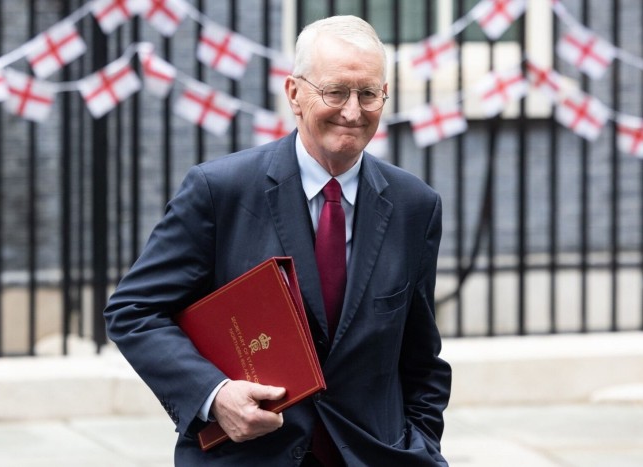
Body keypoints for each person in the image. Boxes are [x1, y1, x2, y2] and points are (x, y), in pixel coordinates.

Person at [104, 15, 451, 467]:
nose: (352, 110)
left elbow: (421, 357)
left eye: (368, 93)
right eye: (335, 91)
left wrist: (422, 444)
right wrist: (216, 396)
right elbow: (133, 311)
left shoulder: (415, 205)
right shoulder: (220, 191)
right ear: (294, 94)